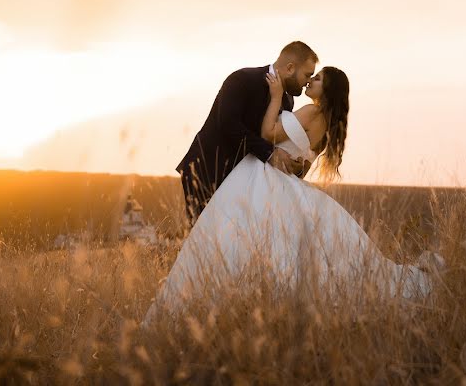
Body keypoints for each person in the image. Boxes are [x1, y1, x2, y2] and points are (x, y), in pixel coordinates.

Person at [143, 64, 445, 327]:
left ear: (327, 89)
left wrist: (276, 97)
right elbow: (301, 169)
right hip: (289, 184)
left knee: (237, 237)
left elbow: (269, 134)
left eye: (317, 79)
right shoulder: (329, 129)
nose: (310, 83)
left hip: (265, 178)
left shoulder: (311, 110)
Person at [176, 41, 319, 226]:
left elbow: (271, 136)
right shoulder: (242, 78)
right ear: (290, 68)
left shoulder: (287, 100)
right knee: (203, 240)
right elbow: (228, 124)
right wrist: (271, 153)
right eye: (308, 74)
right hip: (207, 172)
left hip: (243, 182)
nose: (309, 81)